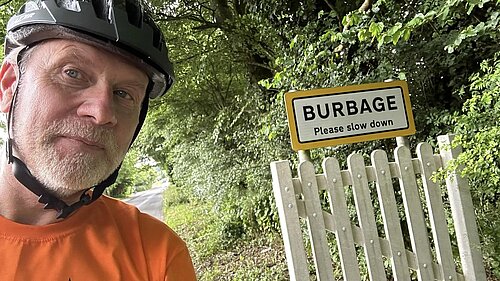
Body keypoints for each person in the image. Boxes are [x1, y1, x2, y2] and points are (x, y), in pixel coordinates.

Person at [0, 0, 197, 279]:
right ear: (9, 86)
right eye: (72, 73)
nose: (102, 112)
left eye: (123, 94)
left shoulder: (157, 255)